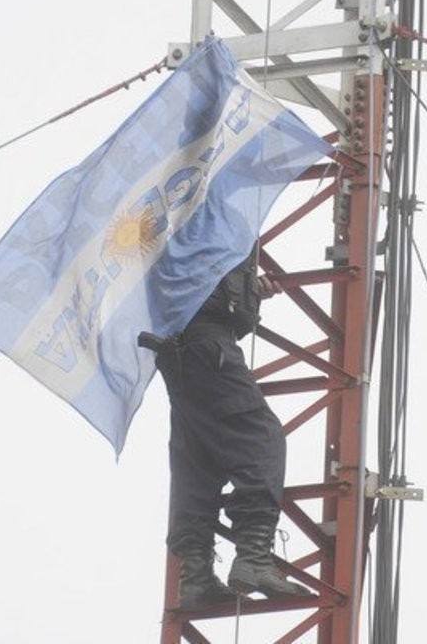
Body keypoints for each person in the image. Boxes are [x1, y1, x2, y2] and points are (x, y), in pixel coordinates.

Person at [143, 246, 312, 610]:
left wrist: (249, 289)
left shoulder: (176, 216)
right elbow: (202, 266)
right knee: (261, 440)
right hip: (207, 344)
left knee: (198, 459)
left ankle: (196, 576)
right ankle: (253, 557)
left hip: (180, 352)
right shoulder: (209, 211)